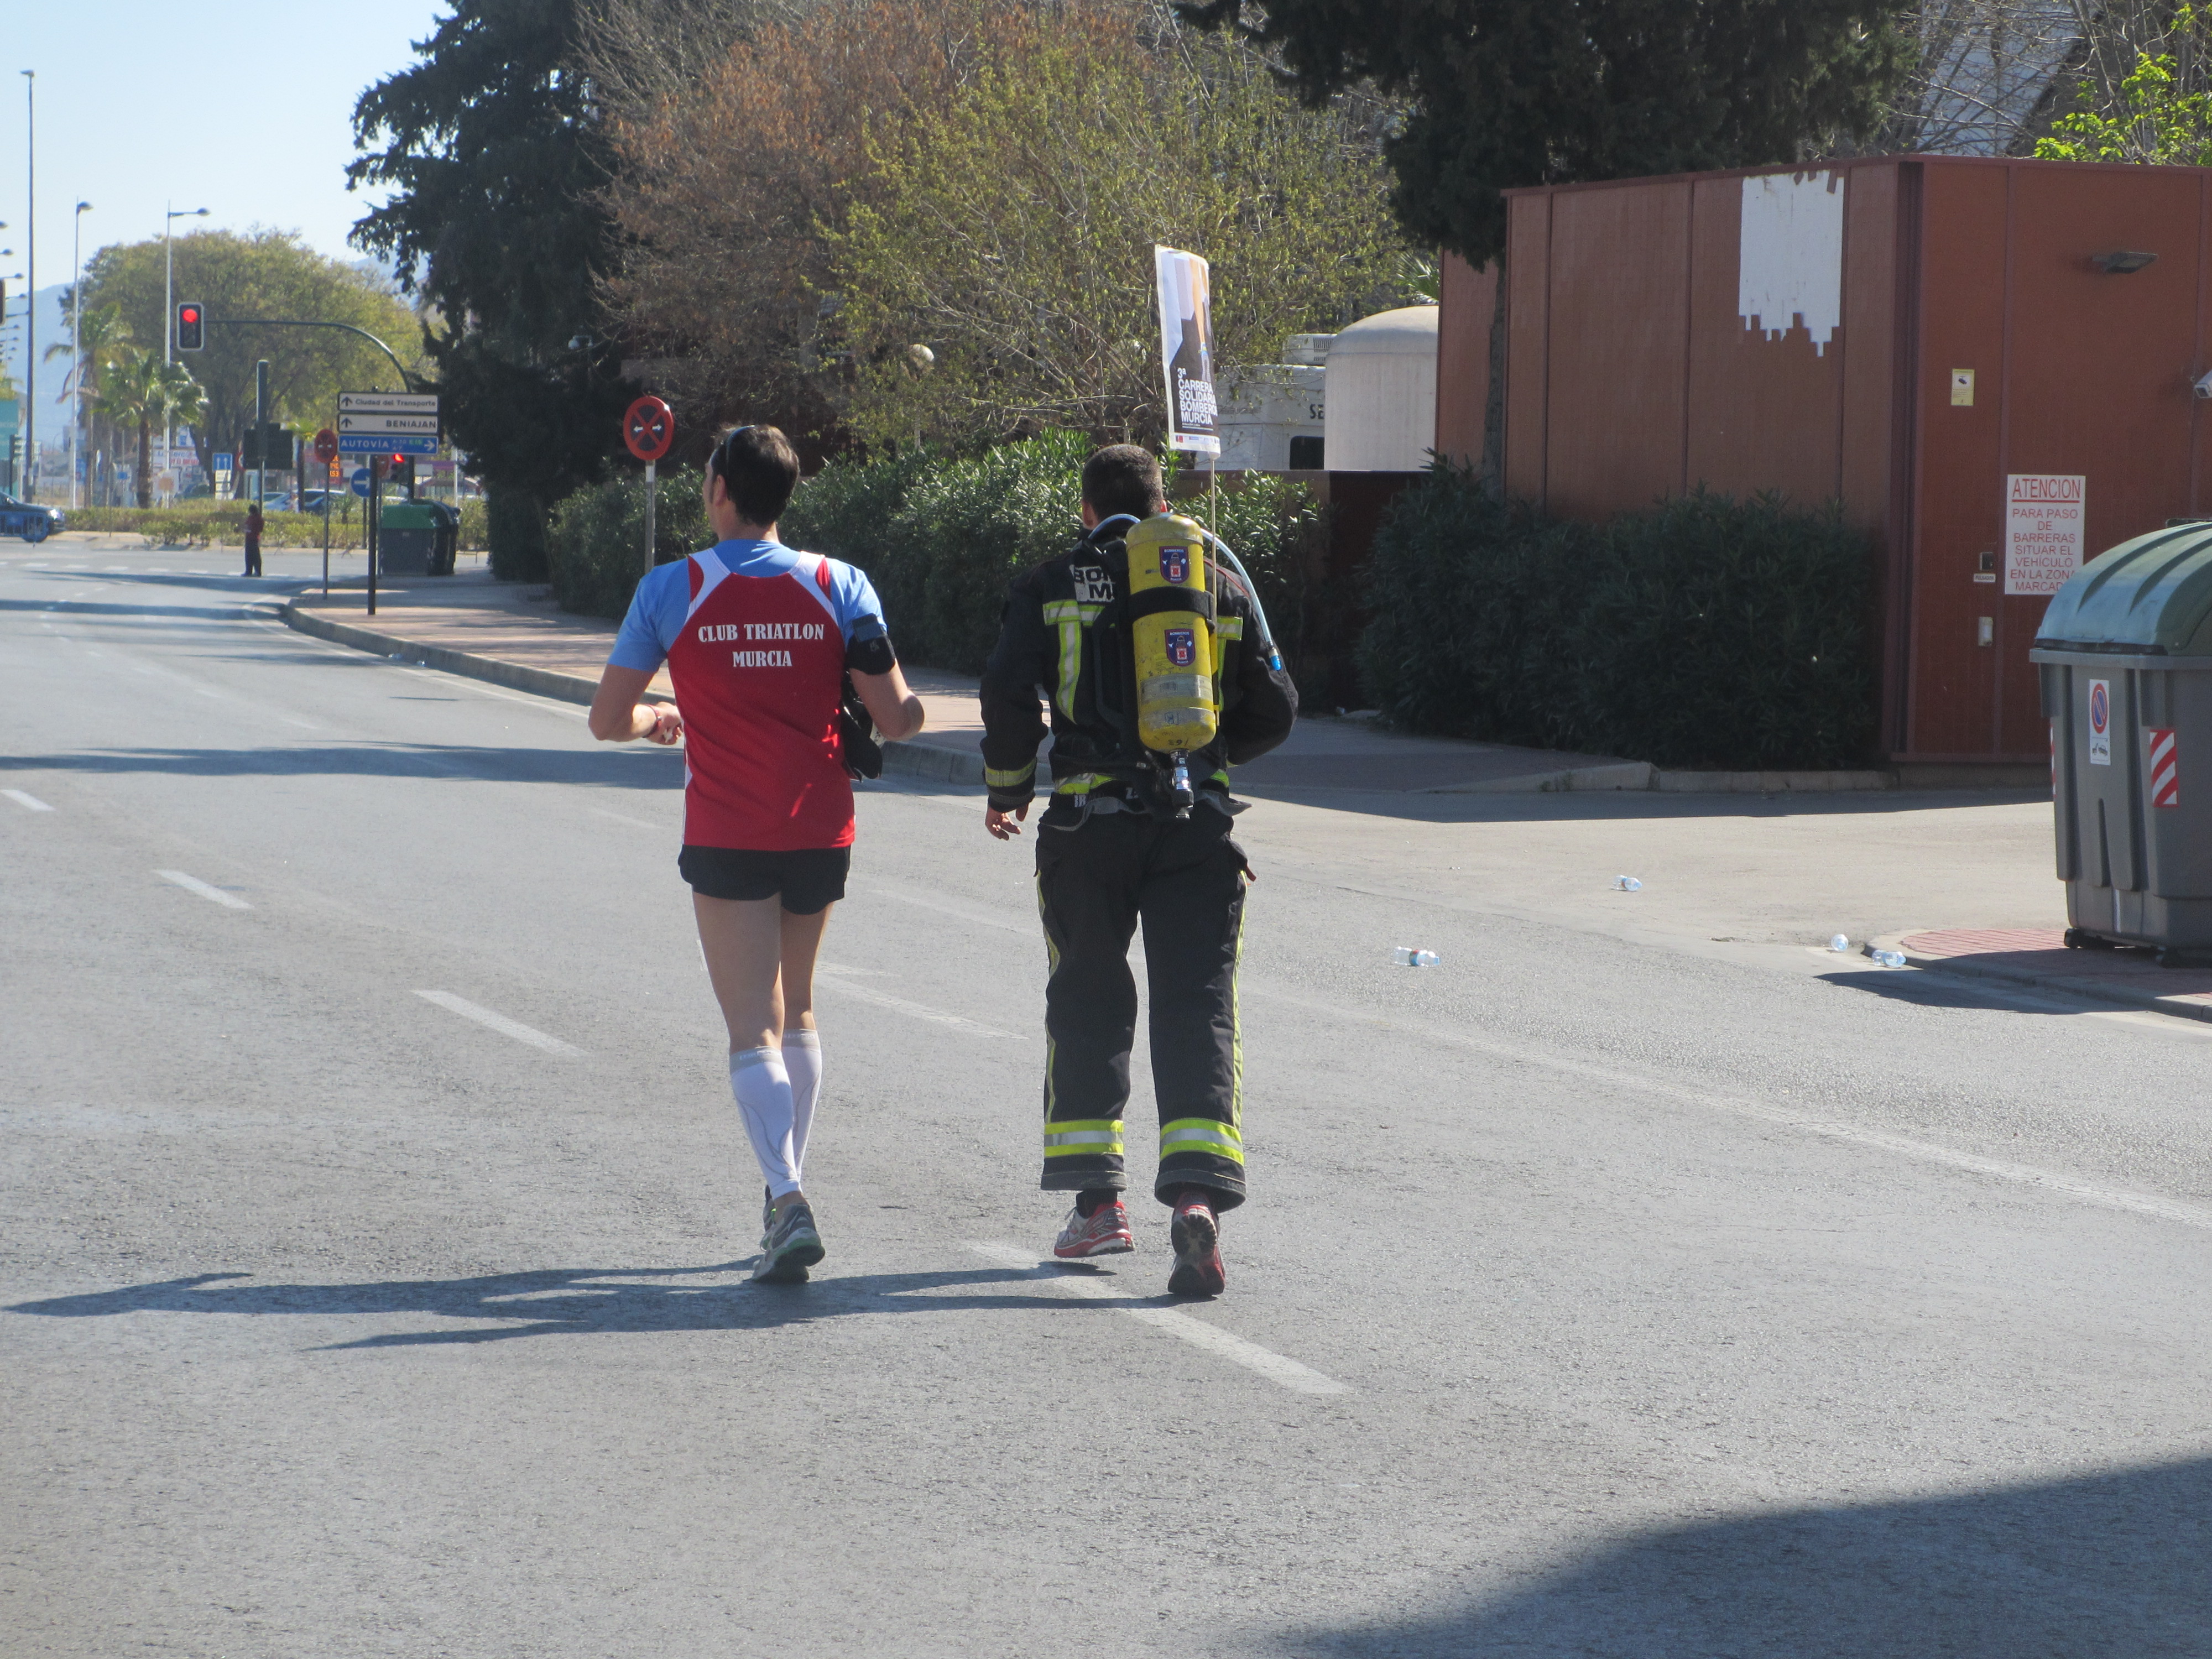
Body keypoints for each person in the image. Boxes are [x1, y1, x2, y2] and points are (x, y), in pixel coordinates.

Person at [588, 424, 924, 1283]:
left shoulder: (671, 589)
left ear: (717, 493)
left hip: (729, 828)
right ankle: (785, 1193)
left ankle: (786, 1195)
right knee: (800, 1011)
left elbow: (605, 720)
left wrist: (656, 720)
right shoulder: (840, 584)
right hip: (820, 824)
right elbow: (898, 718)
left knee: (751, 1026)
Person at [978, 445, 1297, 1296]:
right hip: (1197, 827)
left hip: (1088, 825)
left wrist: (1007, 789)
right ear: (1163, 502)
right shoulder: (1210, 577)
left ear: (1086, 510)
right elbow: (1278, 706)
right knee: (1198, 1007)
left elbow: (1008, 690)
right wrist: (1211, 751)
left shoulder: (1052, 580)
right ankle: (1197, 1201)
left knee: (1086, 996)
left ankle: (1098, 1210)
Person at [243, 500, 264, 578]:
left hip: (254, 538)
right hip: (249, 538)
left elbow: (260, 529)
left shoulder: (258, 518)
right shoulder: (250, 517)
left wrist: (251, 530)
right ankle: (249, 571)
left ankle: (258, 571)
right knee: (248, 556)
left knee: (255, 556)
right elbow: (246, 525)